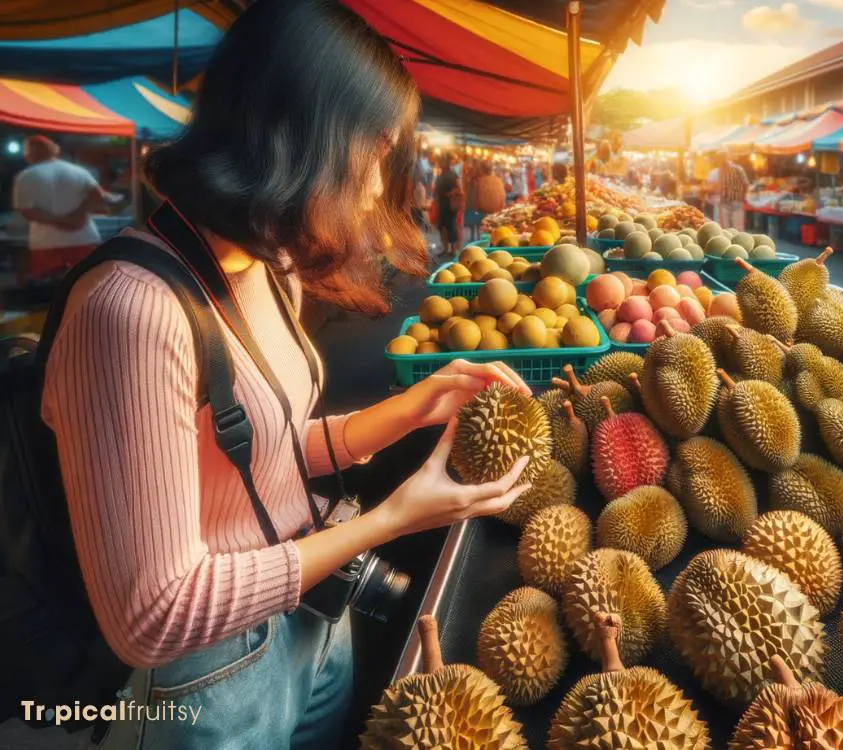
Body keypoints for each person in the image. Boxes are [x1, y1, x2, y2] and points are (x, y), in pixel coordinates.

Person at [43, 2, 532, 748]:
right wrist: (392, 519)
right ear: (301, 138)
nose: (376, 187)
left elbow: (256, 451)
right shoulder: (130, 313)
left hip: (310, 623)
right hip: (208, 683)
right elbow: (154, 616)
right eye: (372, 154)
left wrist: (403, 413)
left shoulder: (268, 268)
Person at [12, 135, 112, 280]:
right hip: (84, 238)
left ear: (28, 154)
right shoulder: (78, 171)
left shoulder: (26, 176)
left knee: (51, 293)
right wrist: (78, 215)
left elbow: (27, 211)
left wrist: (61, 220)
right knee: (88, 285)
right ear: (54, 151)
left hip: (46, 243)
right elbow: (98, 195)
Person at [710, 148, 749, 230]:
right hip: (737, 201)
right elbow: (746, 184)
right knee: (738, 228)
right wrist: (743, 196)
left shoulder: (718, 171)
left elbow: (715, 187)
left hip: (725, 202)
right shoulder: (739, 168)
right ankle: (739, 241)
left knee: (724, 229)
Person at [433, 153, 464, 257]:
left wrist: (451, 193)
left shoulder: (453, 174)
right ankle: (445, 249)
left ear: (447, 163)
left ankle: (453, 250)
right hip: (441, 204)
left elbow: (459, 188)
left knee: (451, 227)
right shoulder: (440, 174)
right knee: (442, 227)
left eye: (442, 161)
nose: (440, 163)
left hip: (450, 205)